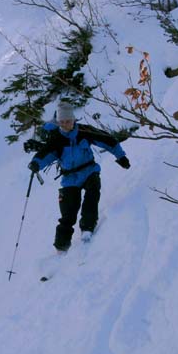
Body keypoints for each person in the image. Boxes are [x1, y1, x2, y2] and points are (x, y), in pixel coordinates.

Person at [28, 101, 130, 252]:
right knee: (68, 212)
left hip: (89, 170)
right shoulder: (57, 139)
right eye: (62, 122)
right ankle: (61, 247)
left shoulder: (85, 132)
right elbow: (45, 154)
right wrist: (36, 163)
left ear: (73, 119)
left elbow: (107, 140)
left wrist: (121, 157)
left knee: (92, 193)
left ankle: (87, 227)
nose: (65, 125)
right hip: (69, 178)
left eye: (68, 121)